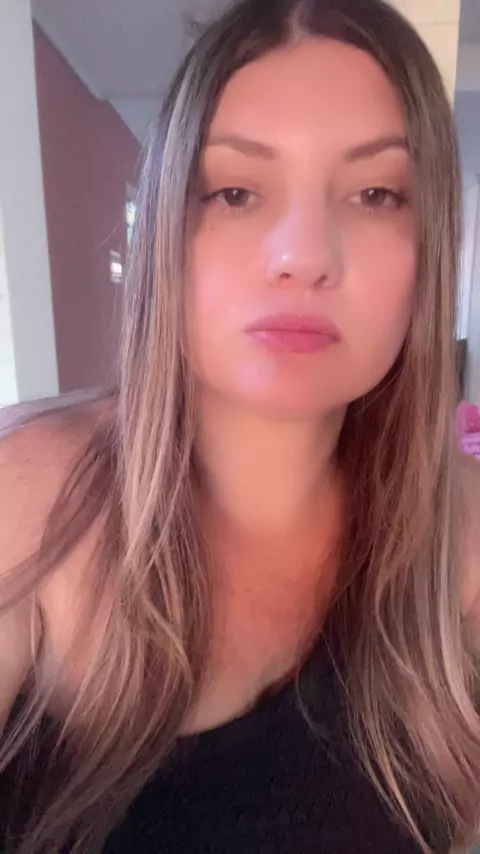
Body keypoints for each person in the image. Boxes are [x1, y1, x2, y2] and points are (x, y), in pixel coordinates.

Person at [0, 0, 479, 851]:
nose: (304, 253)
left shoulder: (464, 531)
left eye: (375, 194)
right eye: (236, 191)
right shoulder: (30, 504)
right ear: (167, 233)